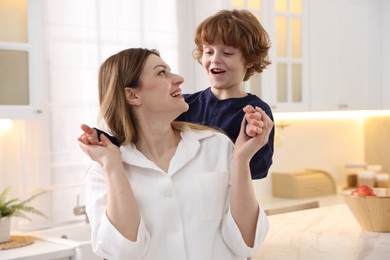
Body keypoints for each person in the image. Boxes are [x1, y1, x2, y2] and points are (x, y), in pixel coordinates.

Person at [78, 48, 272, 259]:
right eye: (162, 73)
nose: (179, 79)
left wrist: (241, 160)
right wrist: (113, 165)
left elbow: (247, 243)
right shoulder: (103, 171)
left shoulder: (216, 145)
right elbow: (124, 252)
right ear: (132, 95)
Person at [80, 9, 274, 180]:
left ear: (249, 60)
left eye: (227, 53)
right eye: (208, 51)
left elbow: (259, 170)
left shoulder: (256, 114)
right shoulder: (184, 104)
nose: (215, 59)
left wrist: (252, 145)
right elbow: (142, 140)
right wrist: (107, 140)